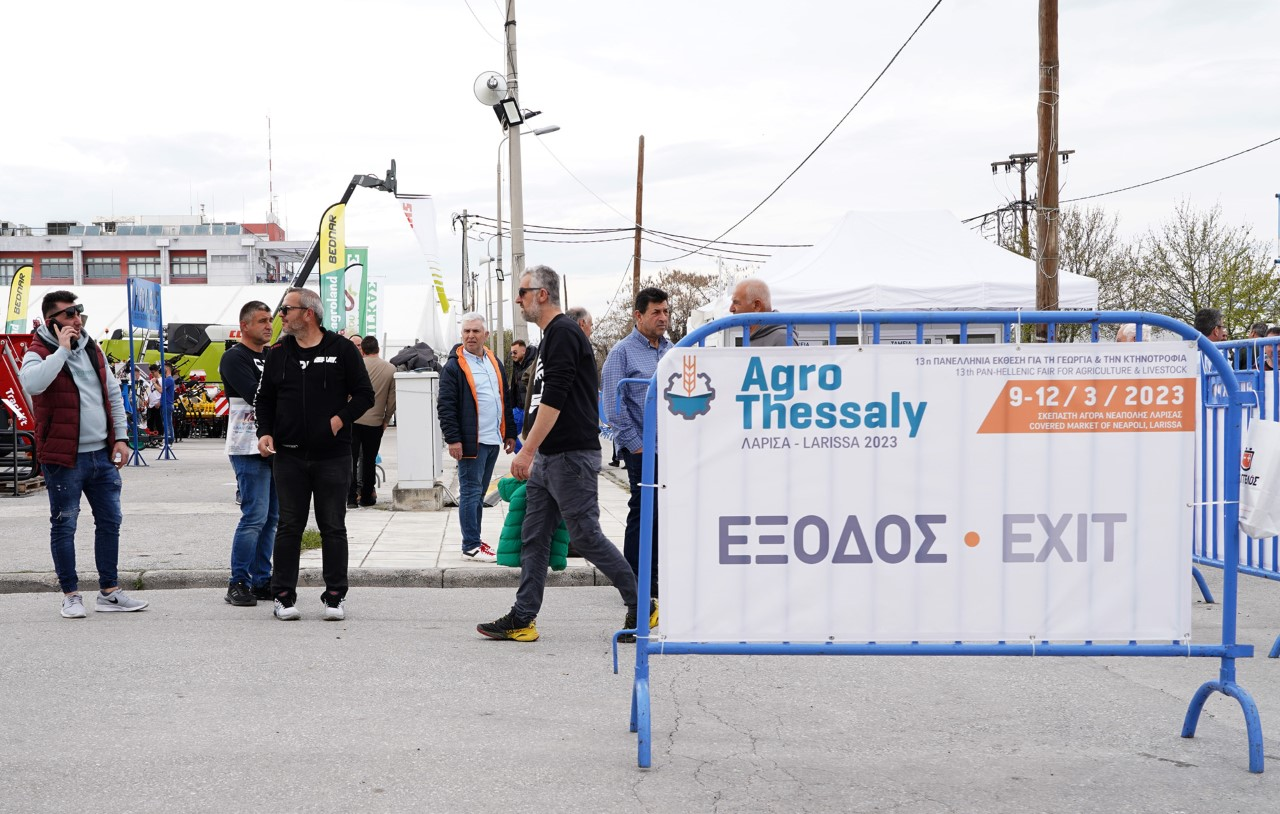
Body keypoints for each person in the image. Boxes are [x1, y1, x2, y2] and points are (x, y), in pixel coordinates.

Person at [477, 265, 652, 643]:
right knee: (534, 536)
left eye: (523, 292)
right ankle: (523, 617)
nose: (518, 300)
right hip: (550, 457)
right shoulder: (551, 337)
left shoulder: (563, 334)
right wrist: (534, 450)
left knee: (585, 536)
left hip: (570, 456)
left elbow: (554, 400)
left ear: (542, 294)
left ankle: (642, 604)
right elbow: (541, 399)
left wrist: (527, 451)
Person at [19, 290, 148, 618]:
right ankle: (71, 595)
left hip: (101, 455)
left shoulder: (93, 347)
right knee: (65, 525)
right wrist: (61, 351)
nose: (77, 319)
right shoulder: (37, 351)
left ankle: (109, 592)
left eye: (79, 312)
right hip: (64, 459)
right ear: (51, 321)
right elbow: (32, 384)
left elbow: (113, 394)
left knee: (110, 521)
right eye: (69, 314)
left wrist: (121, 439)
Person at [256, 287, 374, 622]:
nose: (280, 315)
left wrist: (339, 420)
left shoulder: (341, 349)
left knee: (333, 527)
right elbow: (264, 399)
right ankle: (283, 596)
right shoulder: (278, 352)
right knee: (288, 526)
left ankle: (334, 597)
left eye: (286, 309)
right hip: (288, 456)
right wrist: (264, 431)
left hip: (332, 456)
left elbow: (365, 395)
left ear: (308, 313)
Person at [602, 288, 672, 601]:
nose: (663, 318)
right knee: (644, 511)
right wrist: (636, 444)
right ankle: (635, 582)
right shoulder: (622, 353)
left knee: (665, 513)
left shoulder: (673, 351)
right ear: (638, 316)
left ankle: (657, 576)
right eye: (656, 312)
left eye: (666, 311)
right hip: (642, 449)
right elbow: (613, 406)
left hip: (672, 449)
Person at [439, 314, 517, 562]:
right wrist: (453, 439)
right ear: (461, 335)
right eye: (466, 331)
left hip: (492, 439)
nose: (470, 336)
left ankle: (475, 540)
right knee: (471, 493)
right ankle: (471, 545)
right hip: (471, 441)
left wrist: (510, 432)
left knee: (479, 494)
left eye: (475, 331)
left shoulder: (494, 361)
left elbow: (504, 398)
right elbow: (446, 406)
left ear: (486, 335)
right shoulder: (454, 367)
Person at [220, 300, 277, 607]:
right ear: (244, 325)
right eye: (262, 321)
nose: (269, 325)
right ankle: (238, 582)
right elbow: (257, 394)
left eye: (270, 320)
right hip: (247, 446)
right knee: (254, 516)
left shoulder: (271, 355)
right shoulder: (234, 357)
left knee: (272, 518)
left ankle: (262, 579)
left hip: (275, 445)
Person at [349, 335, 397, 508]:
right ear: (378, 349)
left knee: (351, 459)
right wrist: (386, 419)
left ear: (362, 350)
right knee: (369, 461)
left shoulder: (355, 366)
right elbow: (392, 399)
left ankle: (350, 498)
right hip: (375, 422)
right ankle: (367, 496)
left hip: (353, 419)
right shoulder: (390, 369)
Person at [729, 278, 793, 346]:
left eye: (736, 302)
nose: (731, 309)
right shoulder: (754, 336)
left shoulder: (782, 339)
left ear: (757, 305)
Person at [508, 339, 538, 437]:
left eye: (515, 352)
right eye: (511, 353)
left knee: (529, 437)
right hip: (518, 408)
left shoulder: (533, 365)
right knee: (509, 435)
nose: (512, 355)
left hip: (529, 409)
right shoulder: (517, 365)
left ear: (523, 351)